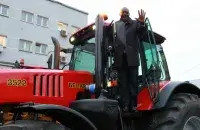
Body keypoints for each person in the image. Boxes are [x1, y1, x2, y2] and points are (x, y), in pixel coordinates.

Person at [113, 7, 147, 112]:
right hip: (120, 60)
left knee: (133, 83)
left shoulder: (135, 24)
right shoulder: (116, 25)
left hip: (132, 60)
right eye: (123, 12)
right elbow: (112, 40)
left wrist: (142, 23)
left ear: (129, 14)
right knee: (123, 84)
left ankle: (133, 105)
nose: (124, 14)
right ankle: (125, 105)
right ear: (120, 14)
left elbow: (142, 32)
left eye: (126, 12)